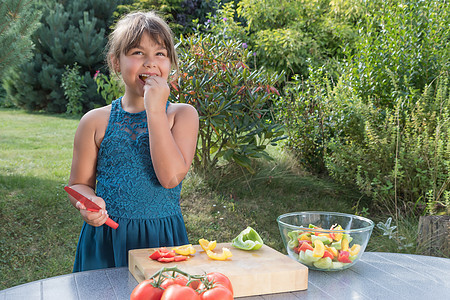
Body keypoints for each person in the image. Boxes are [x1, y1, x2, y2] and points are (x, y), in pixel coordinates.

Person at [66, 11, 199, 272]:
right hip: (106, 238)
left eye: (160, 54)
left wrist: (155, 109)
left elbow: (170, 177)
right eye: (138, 53)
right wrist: (88, 205)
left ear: (170, 62)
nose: (150, 63)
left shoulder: (181, 116)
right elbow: (79, 184)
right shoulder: (94, 122)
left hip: (161, 241)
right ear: (116, 62)